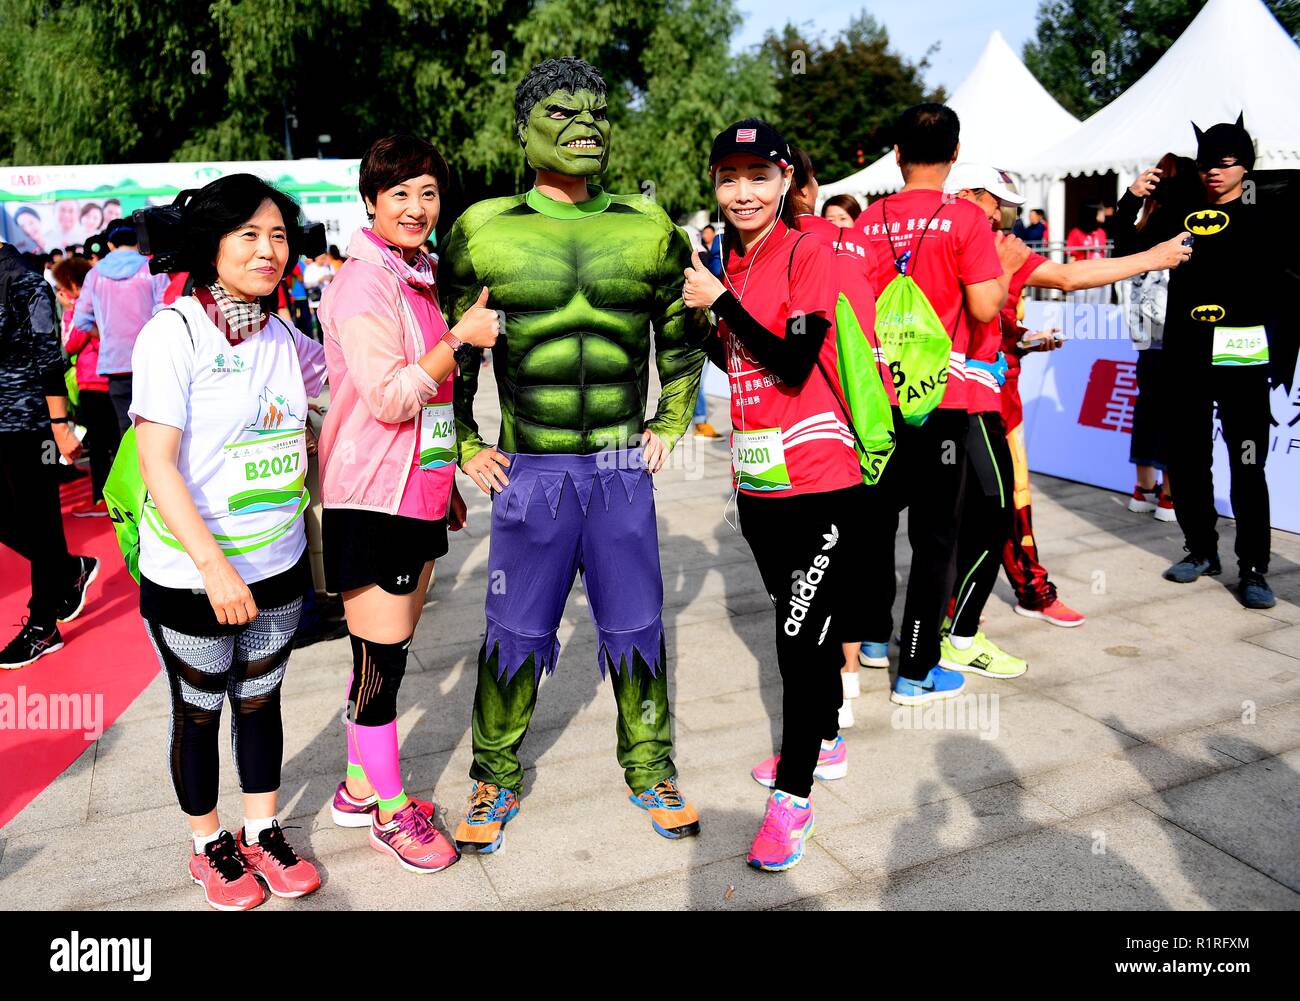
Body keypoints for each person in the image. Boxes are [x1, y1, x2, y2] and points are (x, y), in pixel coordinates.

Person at [442, 56, 710, 854]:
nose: (586, 126)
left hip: (623, 465)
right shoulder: (481, 229)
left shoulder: (649, 226)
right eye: (561, 112)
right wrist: (464, 444)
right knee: (515, 626)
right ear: (523, 130)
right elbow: (452, 351)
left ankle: (652, 766)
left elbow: (684, 333)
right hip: (532, 467)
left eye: (596, 112)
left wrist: (671, 421)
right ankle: (494, 775)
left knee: (637, 620)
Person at [131, 174, 327, 910]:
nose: (267, 249)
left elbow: (345, 391)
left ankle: (262, 828)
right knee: (198, 711)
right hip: (193, 573)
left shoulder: (283, 336)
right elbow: (157, 463)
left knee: (261, 701)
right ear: (211, 244)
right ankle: (207, 843)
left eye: (277, 234)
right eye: (248, 234)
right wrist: (213, 567)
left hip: (276, 563)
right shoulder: (172, 333)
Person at [682, 120, 865, 871]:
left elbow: (792, 361)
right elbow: (726, 354)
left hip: (820, 480)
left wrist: (719, 300)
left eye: (759, 174)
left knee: (798, 635)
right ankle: (821, 740)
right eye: (729, 176)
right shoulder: (731, 257)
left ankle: (793, 800)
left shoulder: (807, 247)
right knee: (804, 628)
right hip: (757, 478)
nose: (744, 190)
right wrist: (699, 304)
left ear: (787, 179)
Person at [317, 134, 496, 873]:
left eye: (428, 193)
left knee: (379, 654)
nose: (417, 208)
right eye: (399, 194)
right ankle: (391, 812)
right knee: (380, 665)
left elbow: (428, 408)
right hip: (371, 496)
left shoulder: (414, 275)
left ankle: (361, 785)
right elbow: (390, 395)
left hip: (413, 488)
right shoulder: (364, 284)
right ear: (369, 202)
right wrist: (458, 338)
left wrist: (444, 475)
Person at [939, 164, 1195, 651]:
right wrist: (1153, 257)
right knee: (948, 508)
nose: (1000, 216)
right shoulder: (937, 238)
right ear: (966, 195)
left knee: (1008, 501)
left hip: (993, 395)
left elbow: (1069, 276)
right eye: (995, 203)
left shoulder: (1005, 246)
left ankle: (1023, 592)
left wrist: (1021, 340)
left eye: (1003, 208)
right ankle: (942, 613)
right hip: (932, 394)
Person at [854, 104, 1018, 706]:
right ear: (954, 157)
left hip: (875, 397)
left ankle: (872, 639)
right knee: (935, 537)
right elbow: (981, 309)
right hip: (942, 400)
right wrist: (998, 278)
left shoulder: (866, 221)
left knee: (874, 524)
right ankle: (916, 670)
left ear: (896, 155)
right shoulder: (967, 222)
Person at [1142, 116, 1282, 607]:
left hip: (1242, 352)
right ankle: (1201, 548)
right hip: (1186, 351)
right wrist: (1133, 198)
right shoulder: (1181, 207)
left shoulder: (1269, 207)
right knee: (1188, 457)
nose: (1214, 173)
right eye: (1206, 165)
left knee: (1248, 462)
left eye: (1225, 164)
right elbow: (1129, 248)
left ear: (1245, 167)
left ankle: (1254, 569)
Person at [786, 143, 878, 729]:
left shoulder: (779, 249)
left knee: (804, 587)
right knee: (841, 560)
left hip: (801, 430)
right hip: (860, 420)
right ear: (814, 187)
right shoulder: (856, 244)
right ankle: (849, 673)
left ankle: (827, 720)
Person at [0, 238, 100, 670]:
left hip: (33, 426)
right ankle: (67, 569)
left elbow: (48, 357)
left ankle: (44, 626)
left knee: (40, 518)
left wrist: (60, 427)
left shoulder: (26, 283)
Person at [1113, 154, 1202, 523]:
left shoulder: (1146, 223)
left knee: (1149, 406)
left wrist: (1132, 198)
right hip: (1179, 332)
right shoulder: (1187, 221)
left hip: (1147, 334)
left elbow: (1118, 245)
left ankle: (1144, 487)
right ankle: (1169, 493)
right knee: (1175, 411)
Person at [72, 222, 168, 434]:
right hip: (152, 361)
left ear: (110, 245)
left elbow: (80, 320)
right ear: (138, 242)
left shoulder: (95, 275)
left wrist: (105, 337)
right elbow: (166, 312)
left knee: (126, 430)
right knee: (158, 427)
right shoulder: (151, 268)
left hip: (115, 362)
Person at [53, 256, 117, 516]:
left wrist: (70, 311)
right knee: (116, 441)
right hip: (114, 378)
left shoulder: (79, 309)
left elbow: (69, 345)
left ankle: (102, 500)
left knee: (100, 447)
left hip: (93, 382)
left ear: (71, 286)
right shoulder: (104, 301)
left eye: (61, 288)